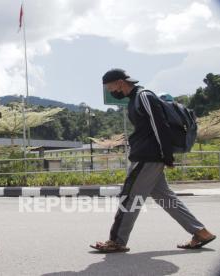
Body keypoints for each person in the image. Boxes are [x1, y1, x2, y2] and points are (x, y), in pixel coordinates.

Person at [91, 68, 216, 253]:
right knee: (166, 198)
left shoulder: (143, 96)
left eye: (110, 87)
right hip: (150, 156)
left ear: (120, 82)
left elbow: (160, 126)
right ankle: (201, 232)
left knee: (130, 197)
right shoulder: (134, 100)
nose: (110, 91)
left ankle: (116, 240)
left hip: (147, 158)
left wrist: (166, 155)